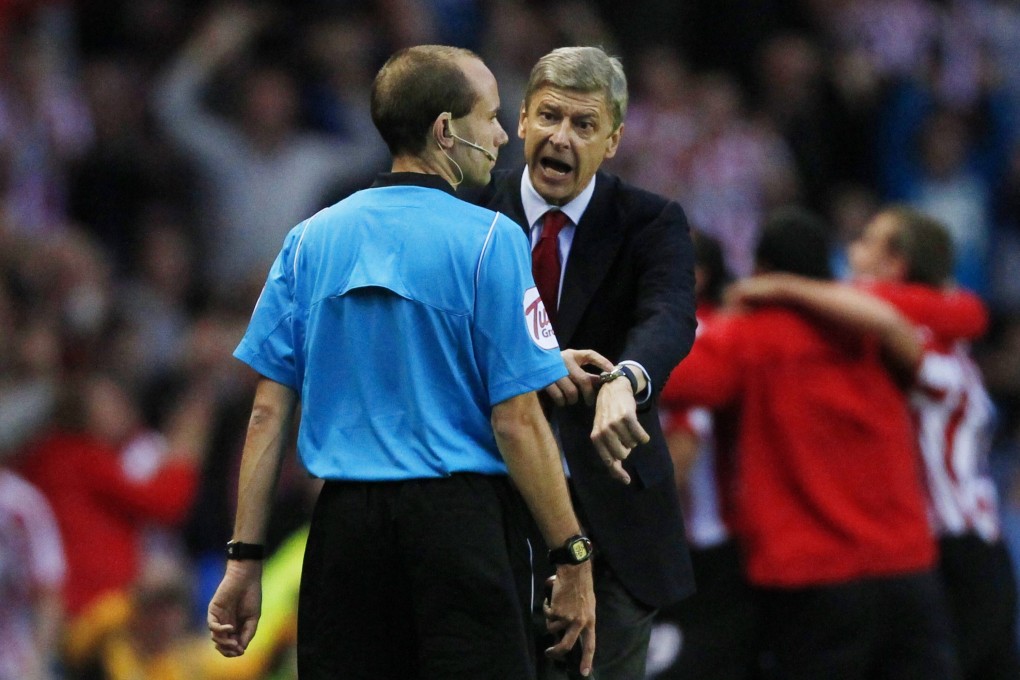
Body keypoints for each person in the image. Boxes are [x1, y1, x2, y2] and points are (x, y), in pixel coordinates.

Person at [206, 45, 598, 680]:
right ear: (445, 131)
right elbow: (517, 422)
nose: (503, 135)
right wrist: (572, 554)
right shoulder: (491, 241)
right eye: (490, 116)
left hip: (344, 533)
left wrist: (244, 558)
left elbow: (267, 415)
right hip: (461, 530)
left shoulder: (307, 242)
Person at [471, 45, 698, 680]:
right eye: (549, 117)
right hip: (489, 508)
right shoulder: (470, 213)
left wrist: (626, 379)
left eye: (584, 124)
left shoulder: (650, 222)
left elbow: (669, 317)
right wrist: (540, 362)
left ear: (613, 141)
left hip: (614, 524)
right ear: (521, 120)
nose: (561, 137)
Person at [662, 207, 960, 680]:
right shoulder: (876, 332)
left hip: (812, 578)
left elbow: (668, 376)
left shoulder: (748, 339)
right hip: (906, 569)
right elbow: (964, 313)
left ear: (761, 271)